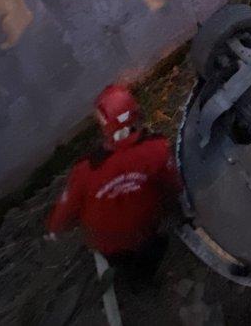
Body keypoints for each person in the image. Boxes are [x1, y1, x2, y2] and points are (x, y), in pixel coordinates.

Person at [46, 85, 182, 277]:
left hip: (108, 243)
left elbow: (67, 208)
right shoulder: (156, 150)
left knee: (125, 265)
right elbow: (173, 184)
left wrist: (54, 229)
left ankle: (134, 278)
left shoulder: (86, 171)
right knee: (150, 255)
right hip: (146, 230)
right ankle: (147, 274)